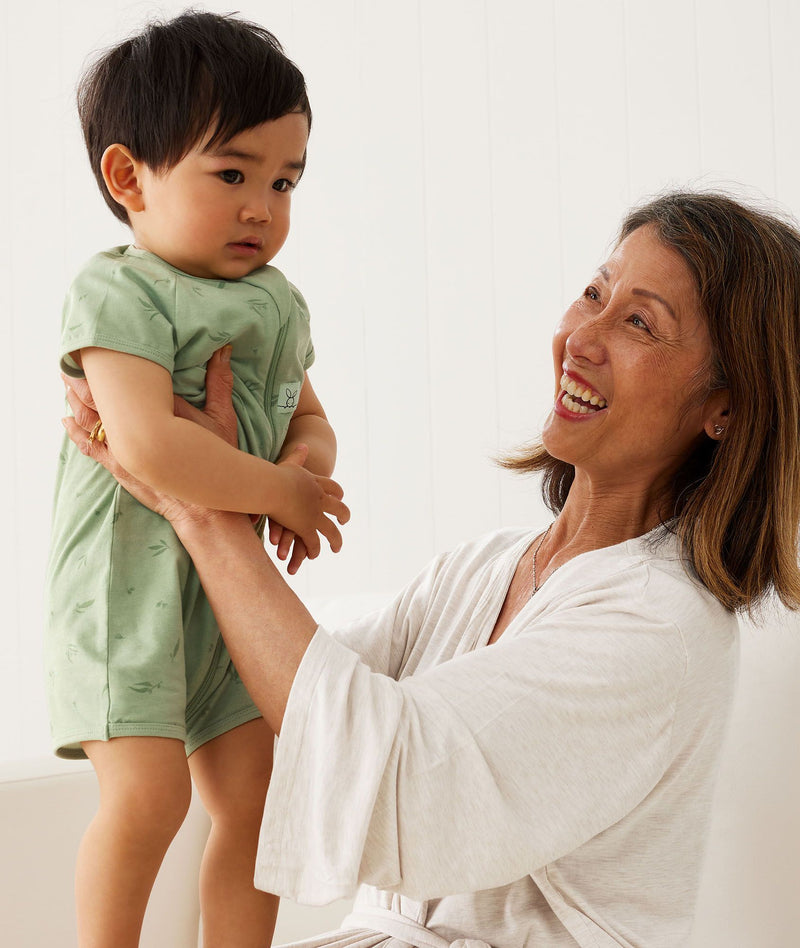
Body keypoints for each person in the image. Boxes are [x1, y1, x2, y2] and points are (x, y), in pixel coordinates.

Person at [64, 190, 800, 946]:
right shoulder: (484, 567)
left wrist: (205, 510)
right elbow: (295, 699)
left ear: (727, 408)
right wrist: (173, 487)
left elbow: (389, 782)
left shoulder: (660, 623)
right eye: (594, 294)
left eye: (639, 322)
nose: (582, 337)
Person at [45, 11, 346, 948]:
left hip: (223, 599)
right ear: (130, 178)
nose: (262, 206)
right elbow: (149, 448)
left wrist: (307, 467)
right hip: (125, 594)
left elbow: (310, 419)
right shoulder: (119, 291)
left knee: (258, 799)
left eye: (284, 180)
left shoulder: (275, 303)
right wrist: (279, 493)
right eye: (233, 174)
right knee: (148, 798)